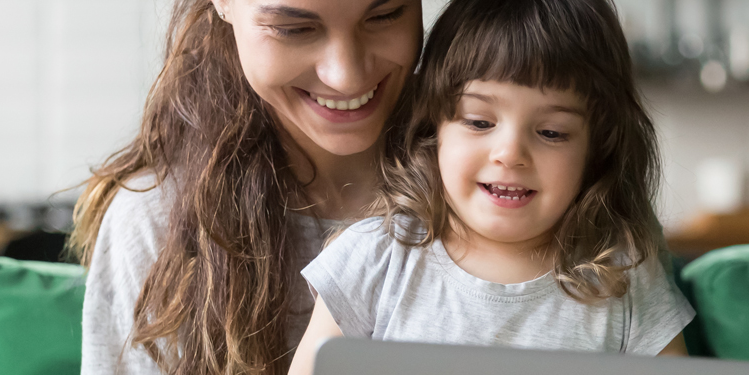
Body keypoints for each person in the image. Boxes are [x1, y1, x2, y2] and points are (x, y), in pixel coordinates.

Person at [288, 0, 693, 373]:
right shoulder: (372, 259)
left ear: (596, 149)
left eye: (551, 132)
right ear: (434, 131)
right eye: (479, 122)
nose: (510, 153)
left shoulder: (624, 277)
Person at [68, 0, 423, 374]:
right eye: (293, 29)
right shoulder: (155, 219)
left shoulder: (485, 192)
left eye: (384, 16)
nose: (346, 76)